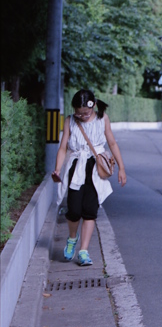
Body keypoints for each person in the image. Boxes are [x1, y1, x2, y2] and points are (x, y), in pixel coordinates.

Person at [51, 89, 127, 266]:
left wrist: (122, 168)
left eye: (85, 113)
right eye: (78, 112)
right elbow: (63, 147)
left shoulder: (103, 119)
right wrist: (57, 168)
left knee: (90, 211)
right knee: (74, 210)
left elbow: (112, 143)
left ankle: (83, 251)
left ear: (92, 107)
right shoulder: (70, 120)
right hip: (76, 166)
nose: (81, 115)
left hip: (96, 168)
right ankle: (72, 239)